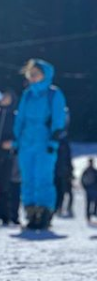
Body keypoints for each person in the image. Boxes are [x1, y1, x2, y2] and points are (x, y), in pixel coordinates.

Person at [13, 59, 67, 230]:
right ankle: (30, 212)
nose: (33, 77)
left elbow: (58, 119)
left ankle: (44, 213)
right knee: (27, 178)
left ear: (45, 74)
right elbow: (20, 119)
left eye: (36, 73)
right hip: (26, 142)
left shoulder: (54, 94)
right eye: (31, 74)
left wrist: (53, 140)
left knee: (43, 178)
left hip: (44, 142)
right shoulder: (27, 94)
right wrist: (16, 141)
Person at [0, 89, 16, 226]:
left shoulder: (14, 116)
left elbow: (18, 134)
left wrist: (12, 143)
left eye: (7, 97)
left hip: (7, 155)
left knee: (5, 187)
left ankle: (6, 216)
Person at [54, 137, 74, 218]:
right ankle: (61, 207)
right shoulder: (65, 143)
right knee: (62, 192)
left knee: (60, 191)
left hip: (60, 171)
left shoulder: (56, 142)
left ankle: (60, 208)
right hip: (63, 171)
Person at [81, 158, 97, 222]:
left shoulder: (86, 171)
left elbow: (82, 180)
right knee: (95, 202)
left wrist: (85, 187)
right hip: (94, 189)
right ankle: (94, 213)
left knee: (88, 203)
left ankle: (88, 215)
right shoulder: (96, 171)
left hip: (88, 189)